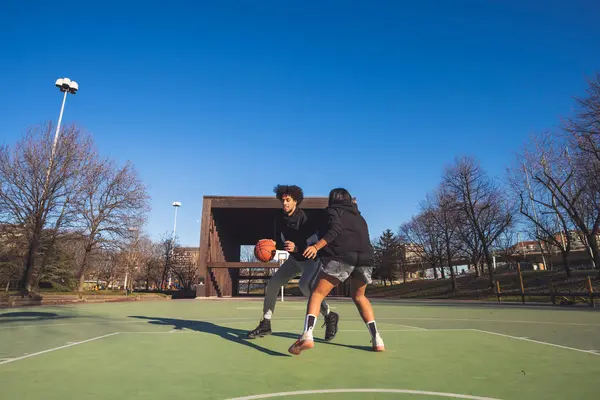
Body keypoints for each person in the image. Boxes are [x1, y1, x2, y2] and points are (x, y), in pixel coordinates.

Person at [288, 188, 384, 355]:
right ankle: (377, 339)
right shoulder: (359, 216)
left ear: (332, 200)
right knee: (360, 296)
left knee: (317, 294)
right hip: (366, 259)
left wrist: (316, 247)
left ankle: (307, 335)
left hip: (343, 257)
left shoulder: (333, 211)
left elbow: (335, 229)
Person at [246, 185, 339, 341]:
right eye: (283, 201)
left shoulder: (306, 220)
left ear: (296, 201)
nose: (285, 204)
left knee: (305, 287)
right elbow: (279, 241)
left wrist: (297, 247)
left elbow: (313, 246)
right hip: (294, 260)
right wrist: (270, 247)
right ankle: (266, 323)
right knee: (273, 283)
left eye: (288, 200)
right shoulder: (280, 219)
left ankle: (329, 315)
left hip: (311, 261)